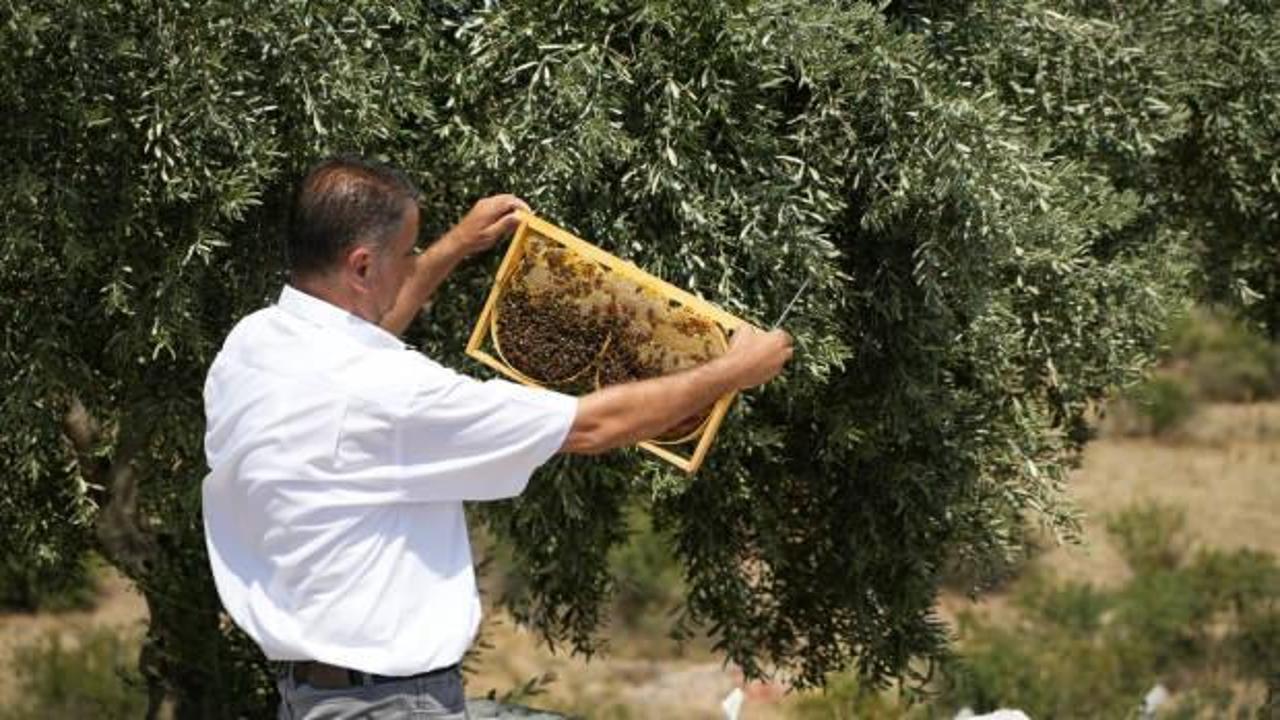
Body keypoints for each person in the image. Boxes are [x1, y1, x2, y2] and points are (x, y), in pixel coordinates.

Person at [201, 155, 793, 720]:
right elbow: (591, 426)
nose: (414, 263)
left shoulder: (254, 347)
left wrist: (453, 247)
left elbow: (362, 335)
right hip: (391, 704)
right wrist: (733, 371)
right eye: (408, 254)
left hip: (314, 696)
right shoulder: (393, 393)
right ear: (360, 265)